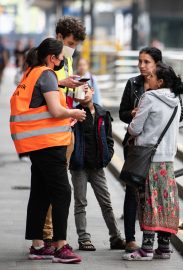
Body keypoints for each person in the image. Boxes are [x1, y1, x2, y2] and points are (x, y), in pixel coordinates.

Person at [10, 37, 86, 263]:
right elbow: (55, 110)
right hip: (49, 143)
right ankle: (61, 246)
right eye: (61, 58)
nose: (63, 61)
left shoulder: (32, 72)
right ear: (52, 58)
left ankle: (37, 245)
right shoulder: (47, 75)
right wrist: (75, 113)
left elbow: (40, 96)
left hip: (35, 143)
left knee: (41, 192)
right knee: (62, 192)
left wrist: (62, 84)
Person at [122, 62, 183, 261]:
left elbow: (134, 128)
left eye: (150, 77)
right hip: (167, 160)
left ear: (160, 82)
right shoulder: (175, 99)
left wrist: (132, 125)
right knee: (165, 202)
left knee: (148, 201)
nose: (146, 79)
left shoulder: (149, 97)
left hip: (149, 159)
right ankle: (164, 247)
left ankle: (146, 249)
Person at [43, 15, 87, 244]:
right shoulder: (45, 55)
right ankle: (47, 236)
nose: (72, 50)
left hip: (66, 125)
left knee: (57, 186)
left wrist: (80, 90)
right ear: (59, 36)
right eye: (70, 44)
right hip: (49, 129)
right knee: (55, 186)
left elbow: (64, 88)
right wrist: (63, 83)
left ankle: (48, 236)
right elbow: (39, 83)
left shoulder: (67, 59)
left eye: (75, 46)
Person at [69, 86, 125, 251]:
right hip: (78, 166)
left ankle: (116, 238)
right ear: (76, 97)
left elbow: (109, 139)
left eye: (86, 89)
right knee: (80, 203)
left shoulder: (102, 114)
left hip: (97, 167)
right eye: (79, 91)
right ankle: (83, 238)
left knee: (106, 202)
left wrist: (106, 157)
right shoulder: (74, 114)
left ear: (93, 91)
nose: (84, 93)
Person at [119, 47, 163, 253]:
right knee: (132, 191)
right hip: (135, 146)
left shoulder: (166, 84)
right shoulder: (133, 83)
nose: (142, 66)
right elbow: (122, 114)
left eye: (147, 62)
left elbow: (177, 114)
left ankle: (156, 241)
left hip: (157, 147)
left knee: (155, 193)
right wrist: (134, 112)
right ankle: (130, 239)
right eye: (140, 61)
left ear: (157, 64)